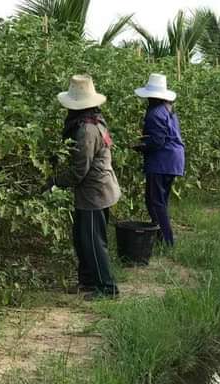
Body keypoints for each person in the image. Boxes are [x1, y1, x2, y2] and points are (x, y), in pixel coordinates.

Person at [52, 75, 121, 299]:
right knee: (82, 238)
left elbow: (79, 170)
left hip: (95, 193)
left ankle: (107, 288)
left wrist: (54, 180)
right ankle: (88, 282)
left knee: (92, 241)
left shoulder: (86, 131)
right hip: (95, 190)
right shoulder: (94, 121)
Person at [133, 73, 185, 247]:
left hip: (161, 162)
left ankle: (166, 241)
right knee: (160, 202)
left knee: (154, 202)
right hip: (173, 160)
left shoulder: (155, 113)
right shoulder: (167, 109)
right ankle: (163, 238)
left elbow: (156, 141)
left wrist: (138, 146)